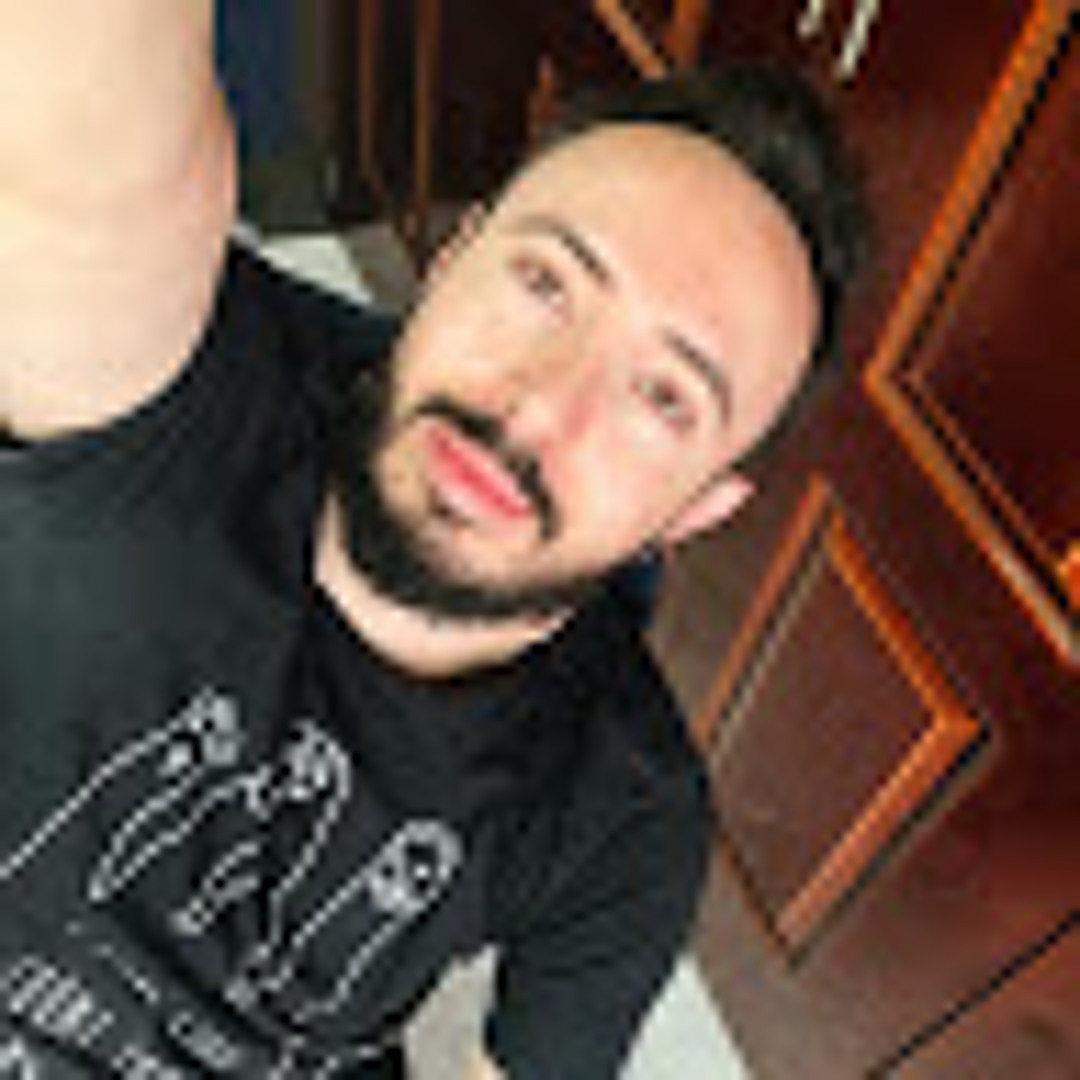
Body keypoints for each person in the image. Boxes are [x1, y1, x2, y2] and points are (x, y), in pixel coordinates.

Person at [0, 2, 867, 1077]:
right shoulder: (169, 377)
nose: (537, 410)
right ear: (454, 258)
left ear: (695, 511)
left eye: (663, 397)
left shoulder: (624, 814)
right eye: (545, 282)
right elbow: (81, 165)